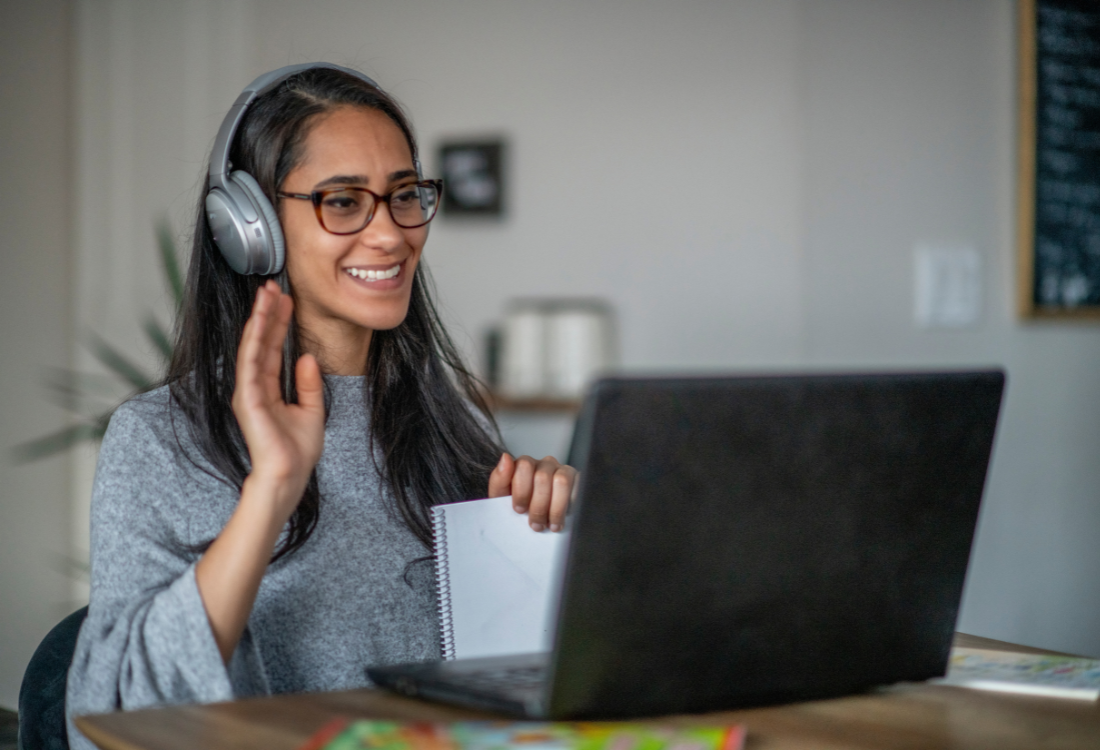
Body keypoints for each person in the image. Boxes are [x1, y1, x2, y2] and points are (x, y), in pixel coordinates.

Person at [65, 64, 577, 749]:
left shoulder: (453, 427)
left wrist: (554, 541)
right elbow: (112, 711)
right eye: (342, 201)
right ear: (249, 227)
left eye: (404, 195)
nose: (392, 234)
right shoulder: (161, 440)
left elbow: (506, 682)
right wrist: (271, 492)